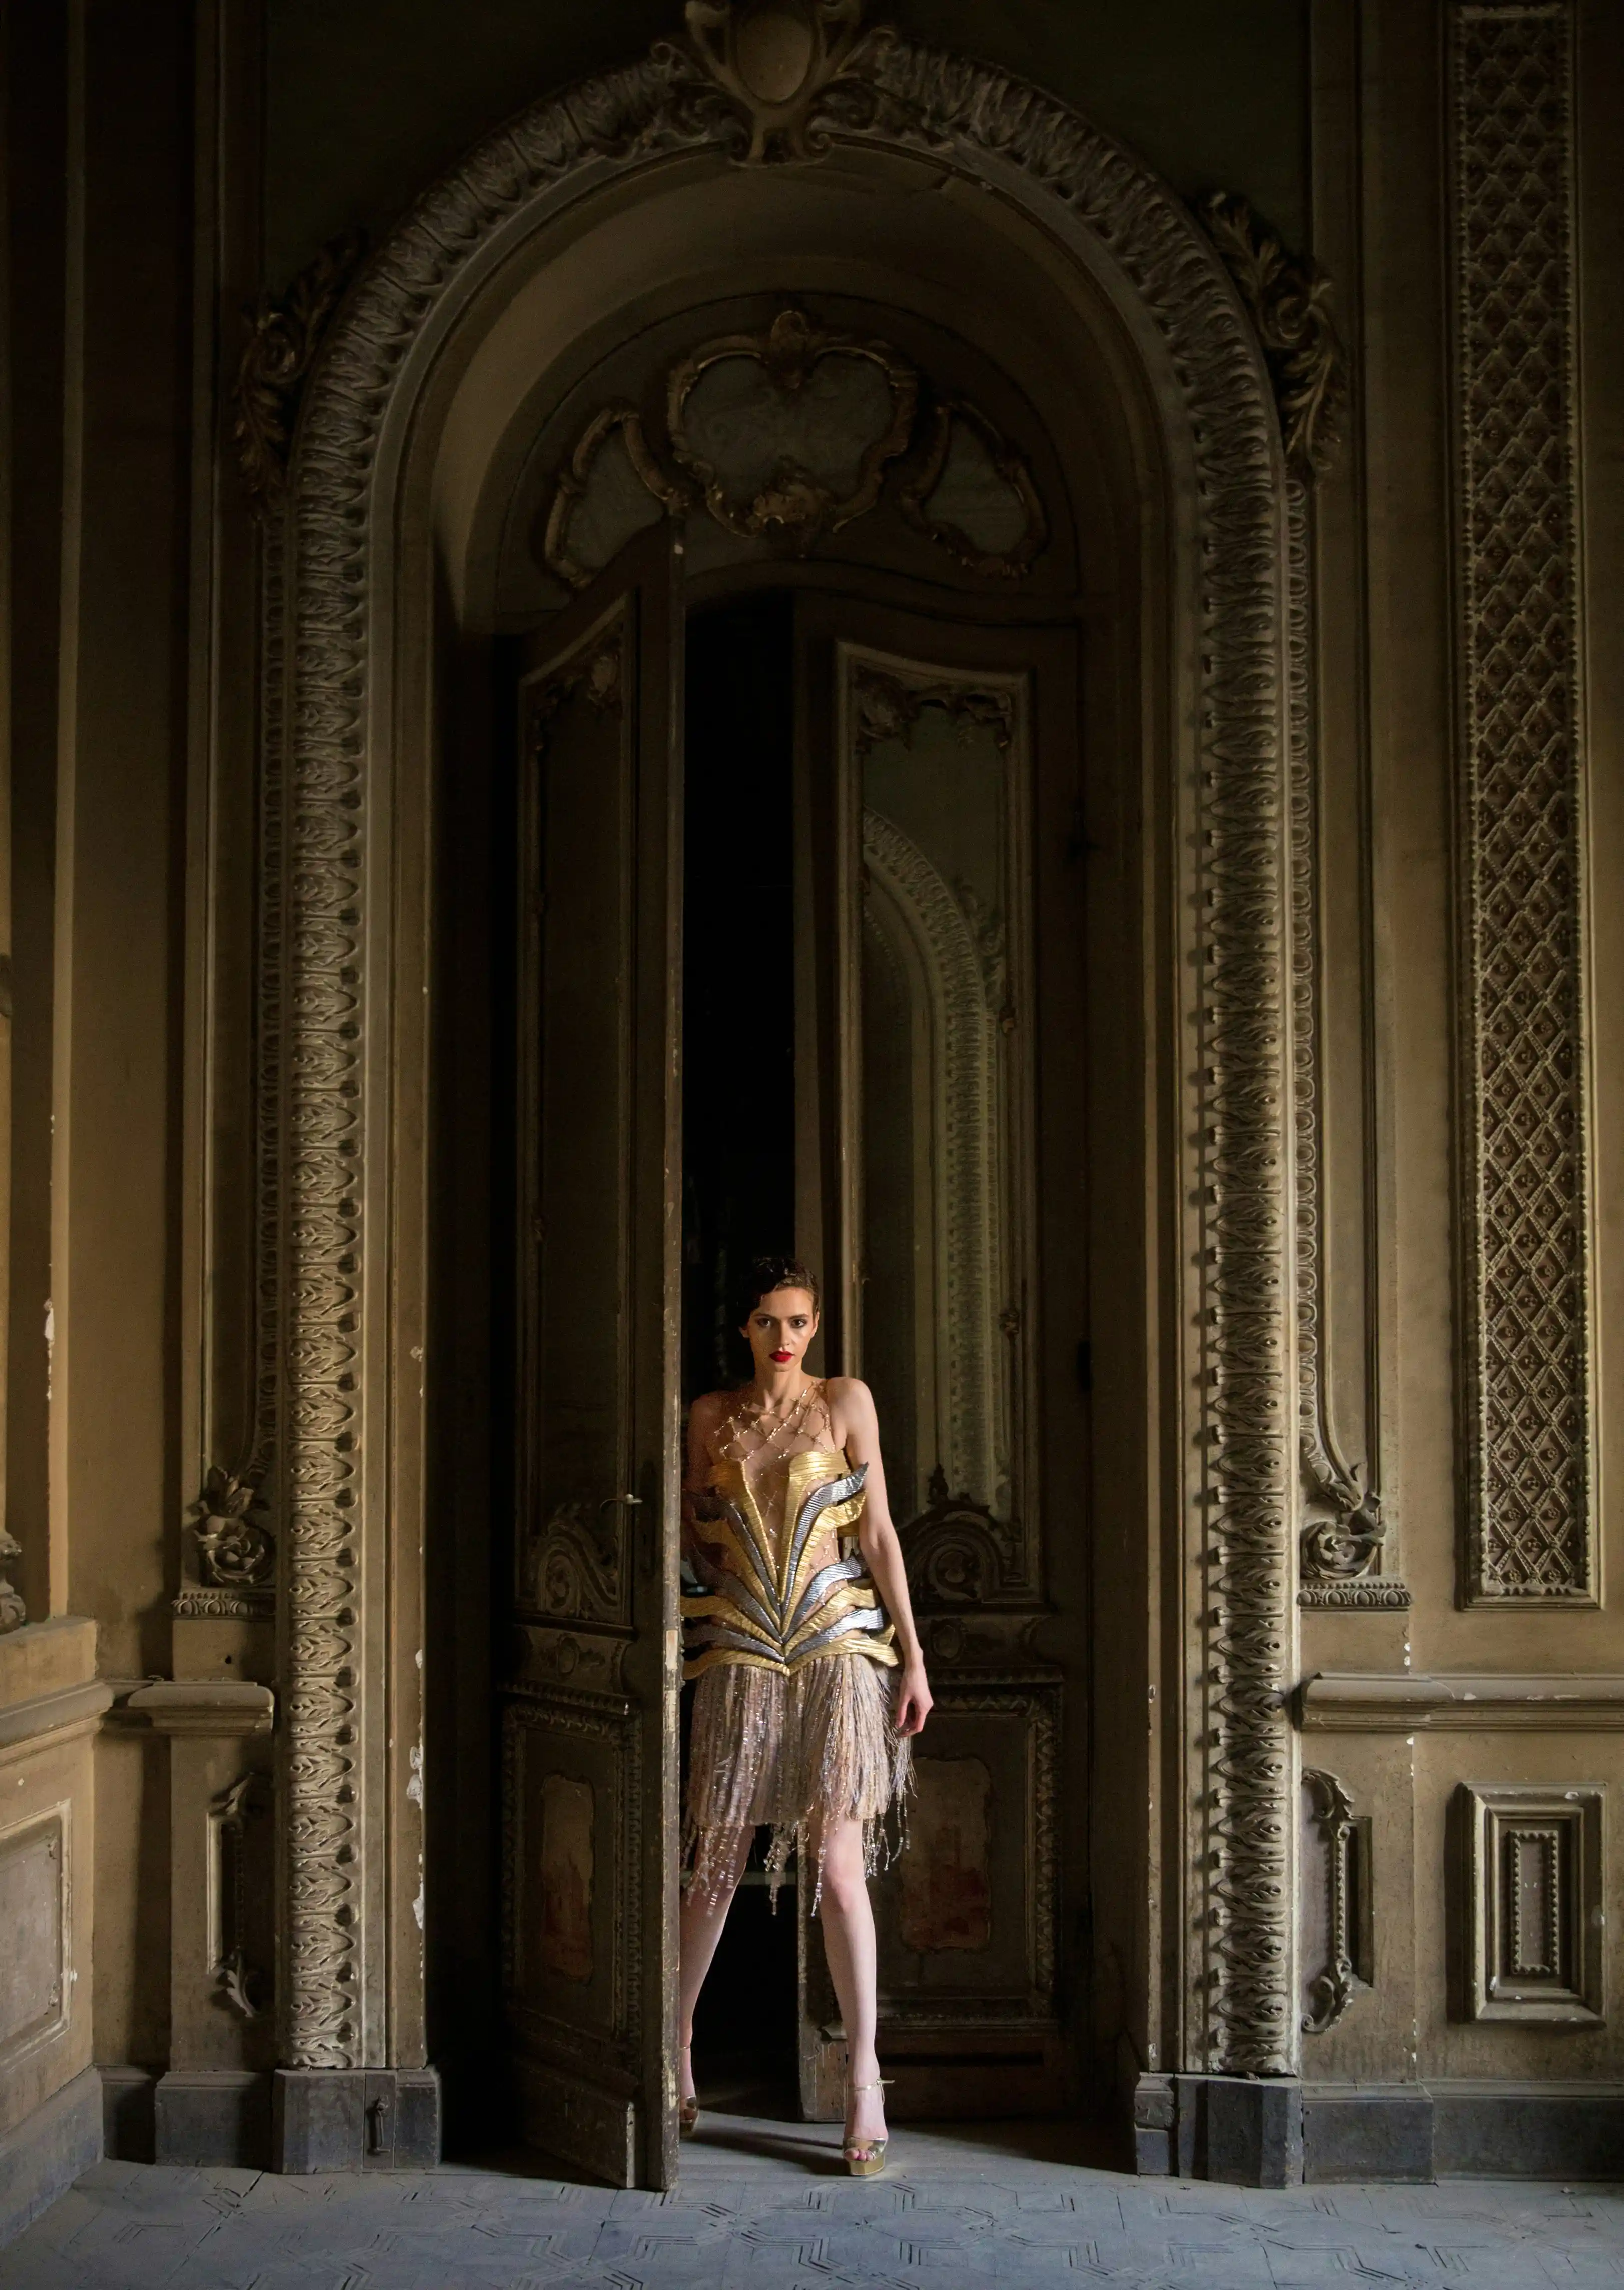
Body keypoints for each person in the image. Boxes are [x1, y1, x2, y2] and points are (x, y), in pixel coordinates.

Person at [677, 1255, 932, 2176]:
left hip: (837, 1651)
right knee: (714, 1858)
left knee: (836, 1867)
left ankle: (863, 2080)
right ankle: (676, 2049)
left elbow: (876, 1533)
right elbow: (688, 1535)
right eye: (765, 1323)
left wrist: (912, 1654)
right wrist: (719, 1587)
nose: (782, 1340)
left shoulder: (846, 1401)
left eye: (796, 1322)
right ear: (743, 1329)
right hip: (742, 1653)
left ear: (814, 1326)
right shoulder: (709, 1416)